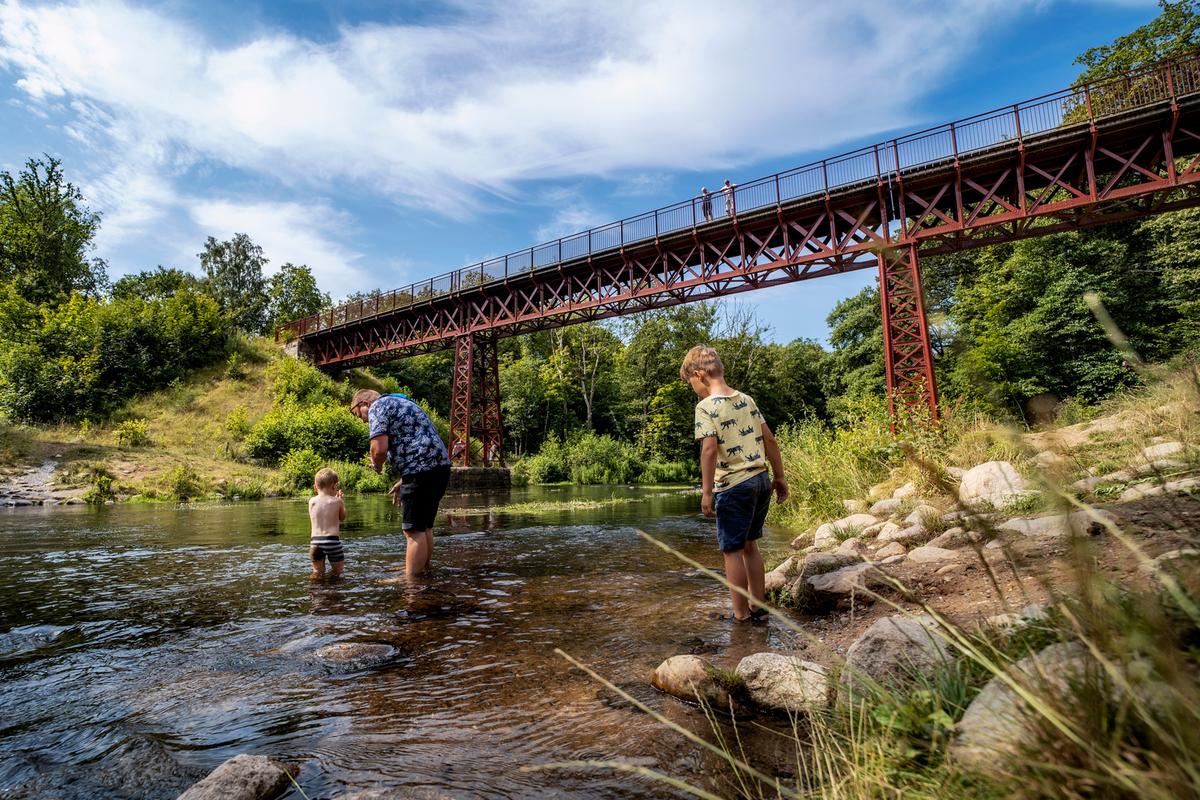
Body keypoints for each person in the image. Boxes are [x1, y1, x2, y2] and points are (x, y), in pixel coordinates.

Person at [681, 345, 789, 622]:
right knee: (751, 545)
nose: (692, 387)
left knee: (732, 550)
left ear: (699, 374)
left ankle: (740, 614)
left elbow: (708, 449)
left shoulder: (705, 407)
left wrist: (706, 492)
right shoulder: (747, 399)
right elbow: (771, 440)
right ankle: (758, 605)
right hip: (760, 480)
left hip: (732, 485)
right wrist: (779, 477)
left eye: (691, 382)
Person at [350, 389, 452, 580]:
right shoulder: (404, 403)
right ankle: (422, 568)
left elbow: (379, 449)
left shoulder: (377, 406)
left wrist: (377, 466)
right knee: (424, 527)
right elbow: (417, 440)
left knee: (412, 531)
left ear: (364, 403)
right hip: (439, 468)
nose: (363, 421)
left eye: (358, 415)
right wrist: (404, 480)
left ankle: (411, 580)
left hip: (420, 470)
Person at [309, 467, 347, 579]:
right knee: (338, 572)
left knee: (317, 572)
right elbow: (342, 517)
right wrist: (341, 502)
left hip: (315, 542)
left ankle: (316, 592)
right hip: (332, 542)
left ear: (315, 487)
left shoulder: (312, 501)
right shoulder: (337, 501)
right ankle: (333, 591)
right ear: (334, 486)